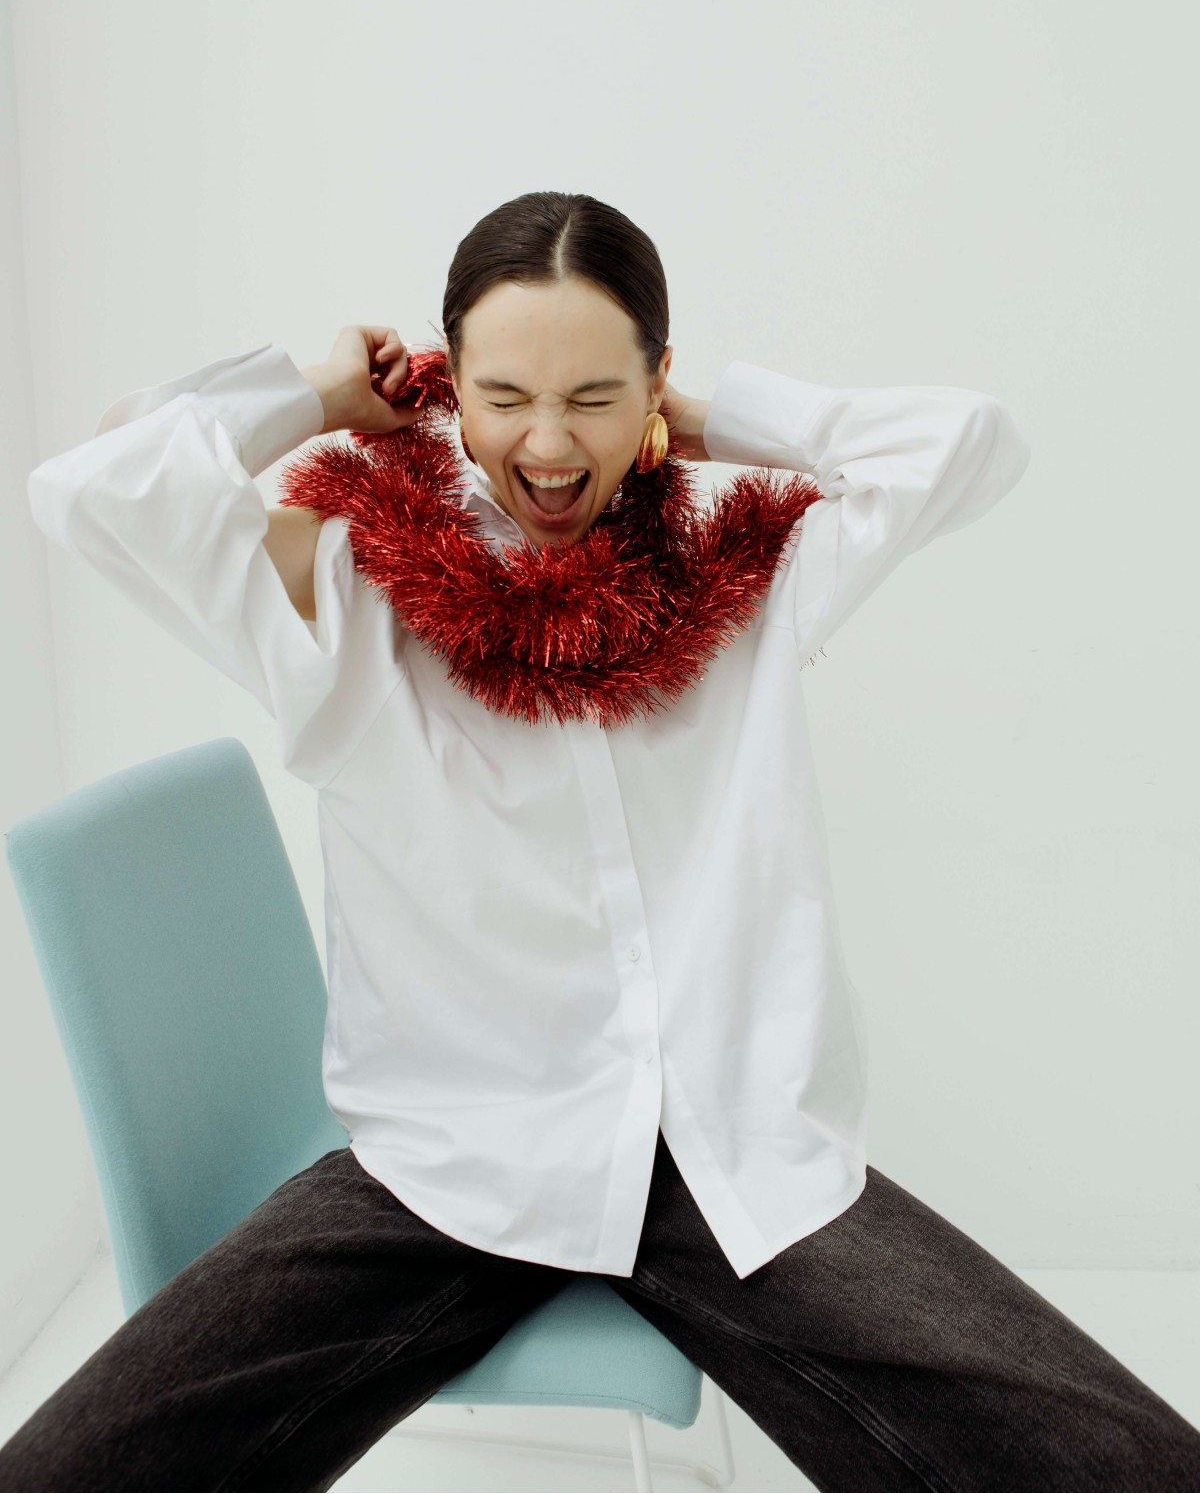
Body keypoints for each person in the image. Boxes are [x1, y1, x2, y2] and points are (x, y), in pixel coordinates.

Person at [3, 191, 1198, 1493]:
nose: (549, 442)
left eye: (594, 397)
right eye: (505, 395)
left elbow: (967, 443)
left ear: (655, 385)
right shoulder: (348, 590)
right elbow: (96, 490)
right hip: (442, 1173)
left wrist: (710, 420)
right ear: (449, 388)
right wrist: (317, 393)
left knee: (1124, 1462)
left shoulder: (745, 570)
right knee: (72, 1464)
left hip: (729, 1169)